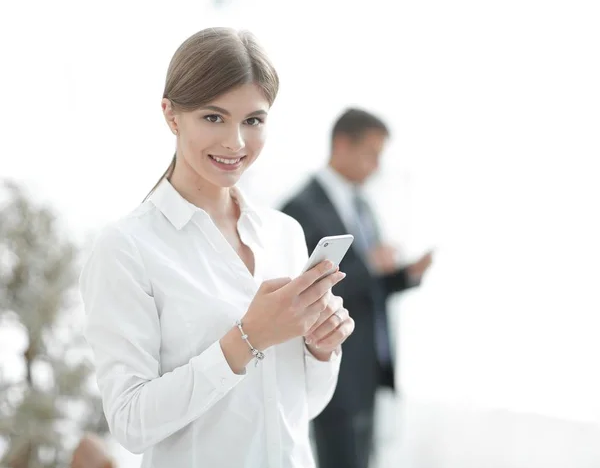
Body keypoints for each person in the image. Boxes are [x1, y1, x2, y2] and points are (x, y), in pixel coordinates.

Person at [79, 27, 355, 468]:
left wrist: (321, 351)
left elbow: (297, 409)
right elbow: (130, 424)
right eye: (214, 117)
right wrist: (248, 339)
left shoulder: (284, 233)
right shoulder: (126, 248)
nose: (236, 143)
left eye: (253, 120)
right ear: (171, 115)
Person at [281, 108, 433, 468]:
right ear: (342, 144)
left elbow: (369, 286)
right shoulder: (299, 208)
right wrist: (369, 264)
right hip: (332, 367)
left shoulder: (362, 205)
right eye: (372, 154)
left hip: (368, 366)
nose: (376, 167)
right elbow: (303, 292)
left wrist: (404, 275)